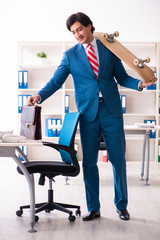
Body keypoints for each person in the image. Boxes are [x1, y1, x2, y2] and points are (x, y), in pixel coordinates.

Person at [27, 12, 157, 221]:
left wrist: (140, 84)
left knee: (117, 160)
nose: (77, 34)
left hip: (111, 111)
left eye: (79, 29)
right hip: (87, 114)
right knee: (89, 162)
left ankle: (121, 206)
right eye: (73, 32)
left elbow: (122, 77)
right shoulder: (70, 55)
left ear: (89, 26)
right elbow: (55, 81)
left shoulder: (109, 48)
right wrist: (39, 95)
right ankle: (94, 208)